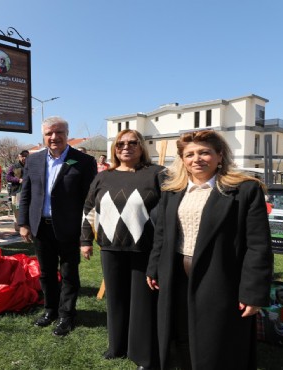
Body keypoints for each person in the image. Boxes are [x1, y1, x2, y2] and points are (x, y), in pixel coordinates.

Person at [146, 129, 273, 370]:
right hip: (175, 275)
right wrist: (154, 267)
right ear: (182, 160)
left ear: (219, 155)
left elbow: (258, 246)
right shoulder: (172, 191)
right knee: (181, 334)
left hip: (221, 277)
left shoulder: (245, 190)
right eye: (190, 154)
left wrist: (253, 293)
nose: (197, 159)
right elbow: (161, 234)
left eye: (204, 152)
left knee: (215, 339)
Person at [81, 130, 161, 367]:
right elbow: (88, 208)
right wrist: (85, 240)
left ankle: (142, 353)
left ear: (141, 147)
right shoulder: (104, 177)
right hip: (111, 248)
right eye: (121, 144)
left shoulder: (156, 174)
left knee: (142, 304)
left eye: (133, 143)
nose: (126, 147)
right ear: (115, 148)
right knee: (115, 300)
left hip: (144, 250)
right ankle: (116, 346)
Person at [18, 116, 97, 336]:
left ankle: (66, 315)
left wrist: (85, 235)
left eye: (59, 132)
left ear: (67, 134)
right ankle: (50, 310)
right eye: (49, 134)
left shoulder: (83, 161)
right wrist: (23, 223)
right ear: (43, 136)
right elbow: (26, 195)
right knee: (46, 273)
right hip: (41, 227)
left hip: (69, 229)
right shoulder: (33, 161)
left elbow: (88, 202)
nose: (54, 137)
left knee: (69, 273)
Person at [6, 150, 28, 232]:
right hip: (16, 192)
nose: (24, 158)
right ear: (19, 156)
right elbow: (8, 177)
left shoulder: (31, 166)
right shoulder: (14, 166)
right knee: (17, 210)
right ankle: (18, 228)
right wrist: (18, 180)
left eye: (26, 156)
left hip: (28, 192)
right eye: (22, 156)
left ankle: (27, 227)